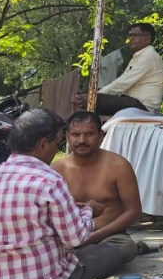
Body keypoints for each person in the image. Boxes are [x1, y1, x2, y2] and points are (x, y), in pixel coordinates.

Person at [0, 109, 125, 279]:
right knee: (112, 254)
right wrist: (89, 210)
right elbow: (75, 238)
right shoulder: (50, 180)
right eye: (57, 143)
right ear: (43, 145)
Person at [53, 111, 142, 263]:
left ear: (101, 135)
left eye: (89, 134)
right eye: (76, 135)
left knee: (126, 247)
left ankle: (76, 263)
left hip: (108, 237)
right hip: (70, 238)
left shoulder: (118, 166)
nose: (82, 140)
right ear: (67, 137)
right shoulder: (57, 169)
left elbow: (133, 212)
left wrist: (95, 236)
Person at [75, 22, 163, 115]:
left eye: (135, 35)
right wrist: (93, 93)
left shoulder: (148, 56)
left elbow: (123, 82)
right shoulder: (139, 56)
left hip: (143, 106)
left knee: (94, 99)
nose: (131, 39)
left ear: (147, 38)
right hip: (131, 101)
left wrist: (94, 96)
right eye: (130, 35)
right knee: (87, 90)